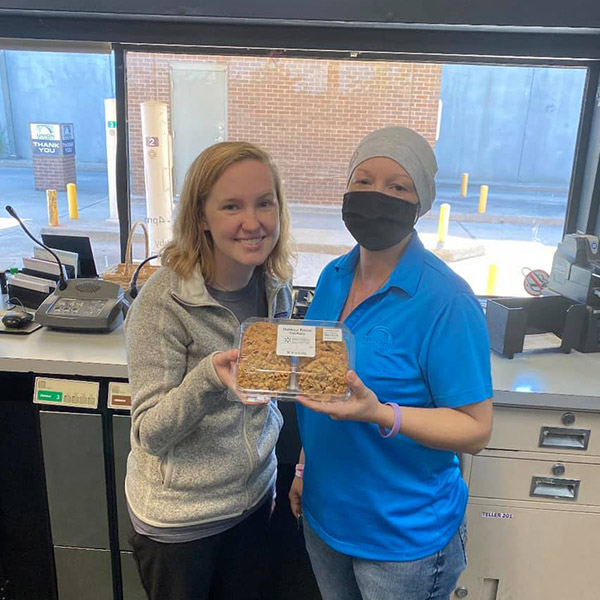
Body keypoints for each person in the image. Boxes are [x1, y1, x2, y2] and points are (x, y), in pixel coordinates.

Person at [289, 126, 493, 600]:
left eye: (397, 186)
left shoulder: (446, 300)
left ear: (420, 205)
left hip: (403, 541)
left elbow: (476, 429)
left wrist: (382, 413)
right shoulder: (331, 276)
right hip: (326, 517)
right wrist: (303, 469)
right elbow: (319, 385)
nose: (375, 196)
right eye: (362, 181)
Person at [125, 141, 293, 600]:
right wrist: (207, 379)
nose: (253, 222)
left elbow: (268, 394)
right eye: (231, 206)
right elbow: (149, 435)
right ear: (201, 217)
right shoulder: (162, 304)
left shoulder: (275, 286)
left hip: (253, 502)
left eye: (265, 203)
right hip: (181, 523)